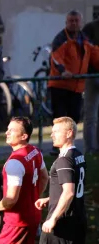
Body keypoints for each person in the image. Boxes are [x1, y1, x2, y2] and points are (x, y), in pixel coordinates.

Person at [35, 117, 92, 244]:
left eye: (56, 131)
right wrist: (49, 198)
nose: (52, 135)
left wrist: (52, 218)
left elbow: (68, 192)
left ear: (69, 133)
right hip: (78, 216)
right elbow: (73, 189)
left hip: (63, 218)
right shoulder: (78, 156)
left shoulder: (64, 159)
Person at [49, 9, 99, 155]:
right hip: (60, 84)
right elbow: (55, 57)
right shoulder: (60, 39)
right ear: (66, 22)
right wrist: (63, 71)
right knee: (59, 118)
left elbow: (95, 55)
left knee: (74, 117)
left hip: (76, 86)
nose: (74, 23)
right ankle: (57, 147)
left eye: (76, 21)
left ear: (80, 22)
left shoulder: (85, 39)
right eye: (71, 21)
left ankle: (68, 146)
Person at [82, 16, 99, 154]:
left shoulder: (89, 28)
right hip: (91, 75)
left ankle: (93, 147)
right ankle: (90, 148)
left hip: (91, 74)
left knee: (91, 116)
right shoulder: (89, 28)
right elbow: (84, 50)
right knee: (91, 116)